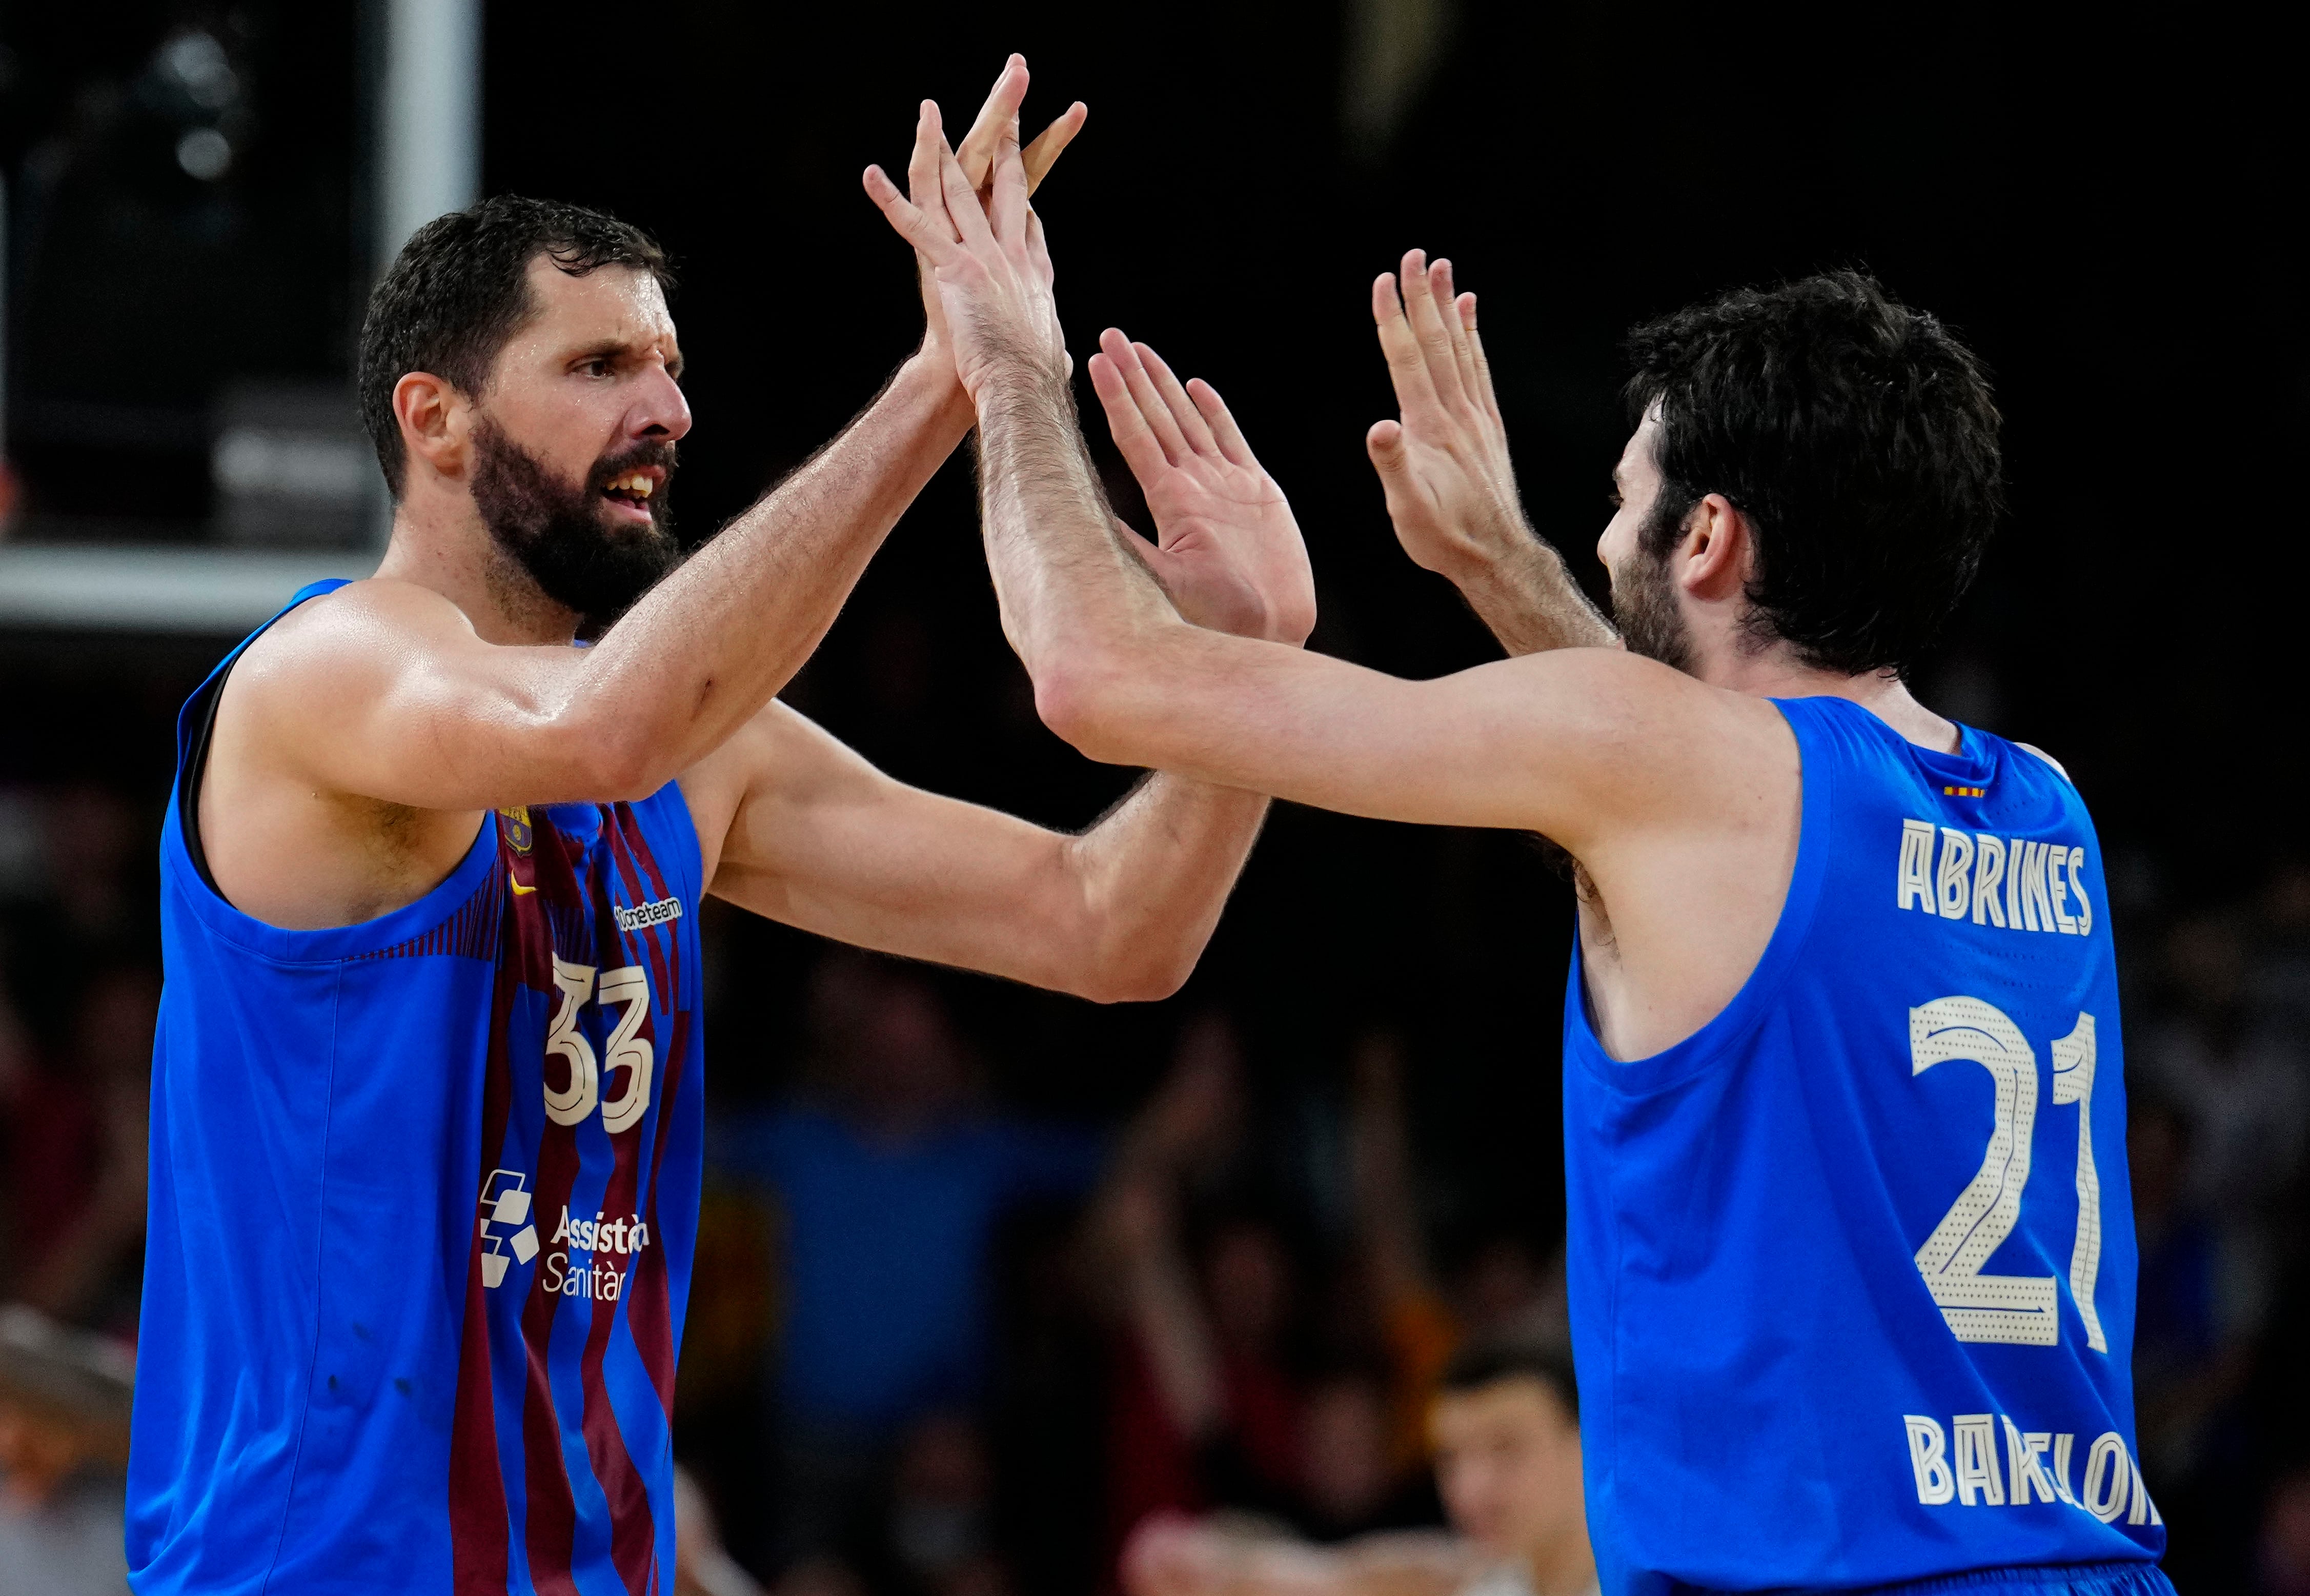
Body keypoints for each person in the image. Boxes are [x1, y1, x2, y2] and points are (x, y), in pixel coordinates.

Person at [867, 116, 2169, 1592]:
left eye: (1621, 505)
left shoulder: (1679, 770)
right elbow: (1690, 840)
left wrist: (1005, 365)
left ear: (1711, 542)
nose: (1606, 542)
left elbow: (1094, 677)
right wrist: (1495, 560)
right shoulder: (2039, 808)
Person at [131, 58, 1315, 1596]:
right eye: (602, 363)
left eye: (673, 365)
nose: (669, 409)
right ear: (434, 416)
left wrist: (1244, 677)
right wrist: (941, 380)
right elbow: (592, 732)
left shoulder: (704, 753)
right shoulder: (326, 674)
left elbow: (1109, 927)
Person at [1120, 1331, 1595, 1596]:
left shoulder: (1657, 1580)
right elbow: (1368, 1575)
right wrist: (1215, 1565)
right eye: (1451, 1457)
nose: (1470, 1488)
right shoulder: (1495, 1580)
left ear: (1586, 1446)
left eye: (1505, 1448)